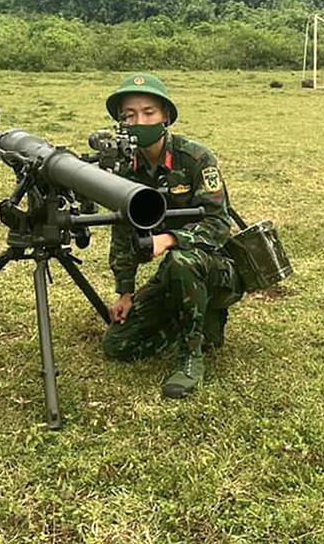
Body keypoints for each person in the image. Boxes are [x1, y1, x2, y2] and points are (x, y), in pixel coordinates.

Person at [100, 73, 241, 398]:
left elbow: (218, 224)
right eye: (129, 115)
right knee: (117, 345)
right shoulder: (124, 169)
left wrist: (172, 239)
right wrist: (125, 291)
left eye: (148, 112)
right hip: (173, 271)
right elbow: (122, 234)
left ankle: (192, 357)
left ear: (165, 116)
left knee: (180, 260)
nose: (139, 121)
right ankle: (191, 321)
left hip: (215, 267)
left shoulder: (195, 159)